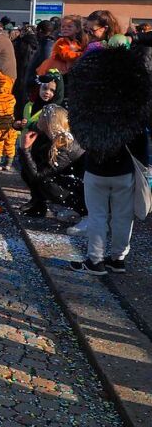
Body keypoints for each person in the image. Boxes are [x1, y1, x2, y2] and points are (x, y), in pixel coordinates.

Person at [66, 42, 152, 274]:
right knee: (124, 216)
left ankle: (95, 259)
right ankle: (118, 258)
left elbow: (79, 131)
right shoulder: (132, 103)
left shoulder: (90, 104)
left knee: (97, 215)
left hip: (96, 166)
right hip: (124, 167)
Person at [19, 104, 86, 219]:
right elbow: (33, 168)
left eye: (41, 117)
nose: (37, 119)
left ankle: (84, 211)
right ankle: (38, 205)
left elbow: (38, 176)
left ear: (49, 122)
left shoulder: (65, 144)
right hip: (72, 182)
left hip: (84, 189)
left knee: (45, 182)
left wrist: (25, 150)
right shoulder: (46, 136)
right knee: (27, 171)